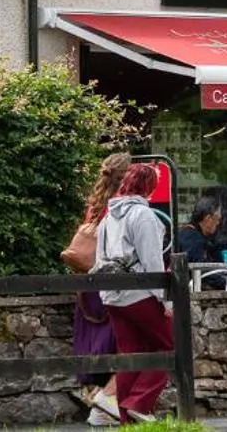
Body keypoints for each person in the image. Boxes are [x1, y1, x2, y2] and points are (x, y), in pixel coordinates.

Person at [94, 163, 174, 424]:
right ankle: (139, 403)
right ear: (150, 186)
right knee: (170, 346)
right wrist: (164, 300)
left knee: (129, 353)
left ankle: (126, 419)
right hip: (138, 294)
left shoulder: (108, 218)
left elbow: (100, 258)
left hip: (112, 295)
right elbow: (152, 263)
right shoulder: (143, 216)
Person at [60, 152, 130, 427]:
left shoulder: (95, 203)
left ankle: (99, 402)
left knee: (95, 341)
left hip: (88, 283)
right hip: (109, 282)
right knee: (122, 343)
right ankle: (105, 404)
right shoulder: (122, 207)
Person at [176, 195, 226, 265]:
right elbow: (199, 268)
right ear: (208, 218)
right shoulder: (193, 240)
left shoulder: (194, 235)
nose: (218, 223)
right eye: (217, 219)